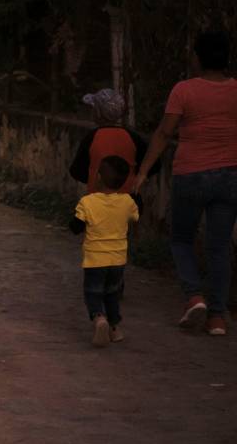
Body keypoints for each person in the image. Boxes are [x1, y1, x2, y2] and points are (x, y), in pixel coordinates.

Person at [134, 30, 237, 336]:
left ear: (198, 57)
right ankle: (217, 318)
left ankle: (194, 297)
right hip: (230, 176)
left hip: (191, 174)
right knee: (219, 247)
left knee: (181, 239)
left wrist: (143, 172)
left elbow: (164, 133)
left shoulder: (184, 90)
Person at [70, 156, 140, 347]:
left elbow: (75, 227)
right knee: (112, 294)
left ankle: (99, 318)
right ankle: (114, 328)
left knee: (93, 292)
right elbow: (135, 217)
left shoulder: (87, 202)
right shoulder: (127, 202)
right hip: (117, 259)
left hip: (95, 259)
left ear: (99, 177)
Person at [69, 89, 153, 193]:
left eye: (94, 108)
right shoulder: (133, 137)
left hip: (98, 198)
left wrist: (95, 177)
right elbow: (151, 164)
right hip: (128, 197)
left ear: (98, 113)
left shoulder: (92, 137)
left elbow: (77, 171)